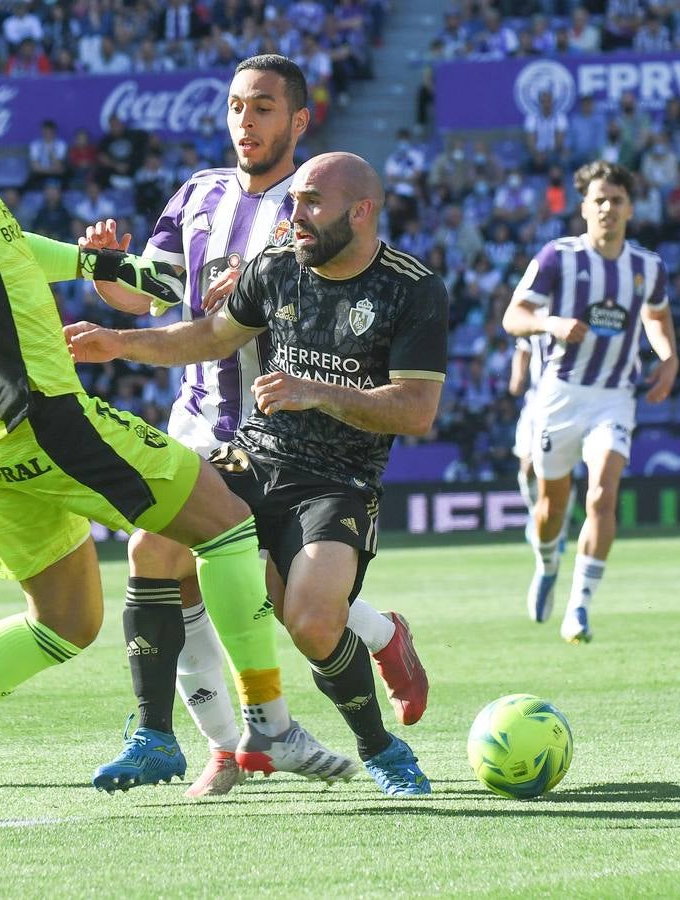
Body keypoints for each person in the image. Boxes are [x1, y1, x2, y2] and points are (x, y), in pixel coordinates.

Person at [0, 17, 355, 824]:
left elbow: (10, 249)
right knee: (228, 522)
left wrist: (98, 262)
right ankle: (268, 725)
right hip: (42, 413)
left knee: (66, 622)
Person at [81, 55, 428, 799]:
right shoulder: (199, 194)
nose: (247, 121)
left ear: (298, 122)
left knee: (271, 593)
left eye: (264, 108)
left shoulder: (310, 215)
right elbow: (150, 297)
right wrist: (105, 270)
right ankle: (222, 742)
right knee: (172, 564)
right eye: (238, 107)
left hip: (279, 433)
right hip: (197, 416)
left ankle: (367, 644)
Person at [502, 161, 679, 643]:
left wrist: (668, 356)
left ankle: (579, 607)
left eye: (616, 200)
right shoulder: (559, 257)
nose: (608, 208)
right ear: (583, 207)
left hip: (614, 397)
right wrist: (551, 323)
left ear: (630, 208)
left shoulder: (647, 266)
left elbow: (658, 318)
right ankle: (547, 561)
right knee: (551, 508)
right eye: (599, 200)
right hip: (559, 395)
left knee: (602, 494)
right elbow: (513, 317)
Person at [508, 334, 575, 560]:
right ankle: (534, 513)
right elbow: (523, 346)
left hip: (566, 405)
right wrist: (518, 375)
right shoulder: (534, 315)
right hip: (534, 406)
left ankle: (560, 528)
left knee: (563, 471)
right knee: (527, 468)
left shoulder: (572, 313)